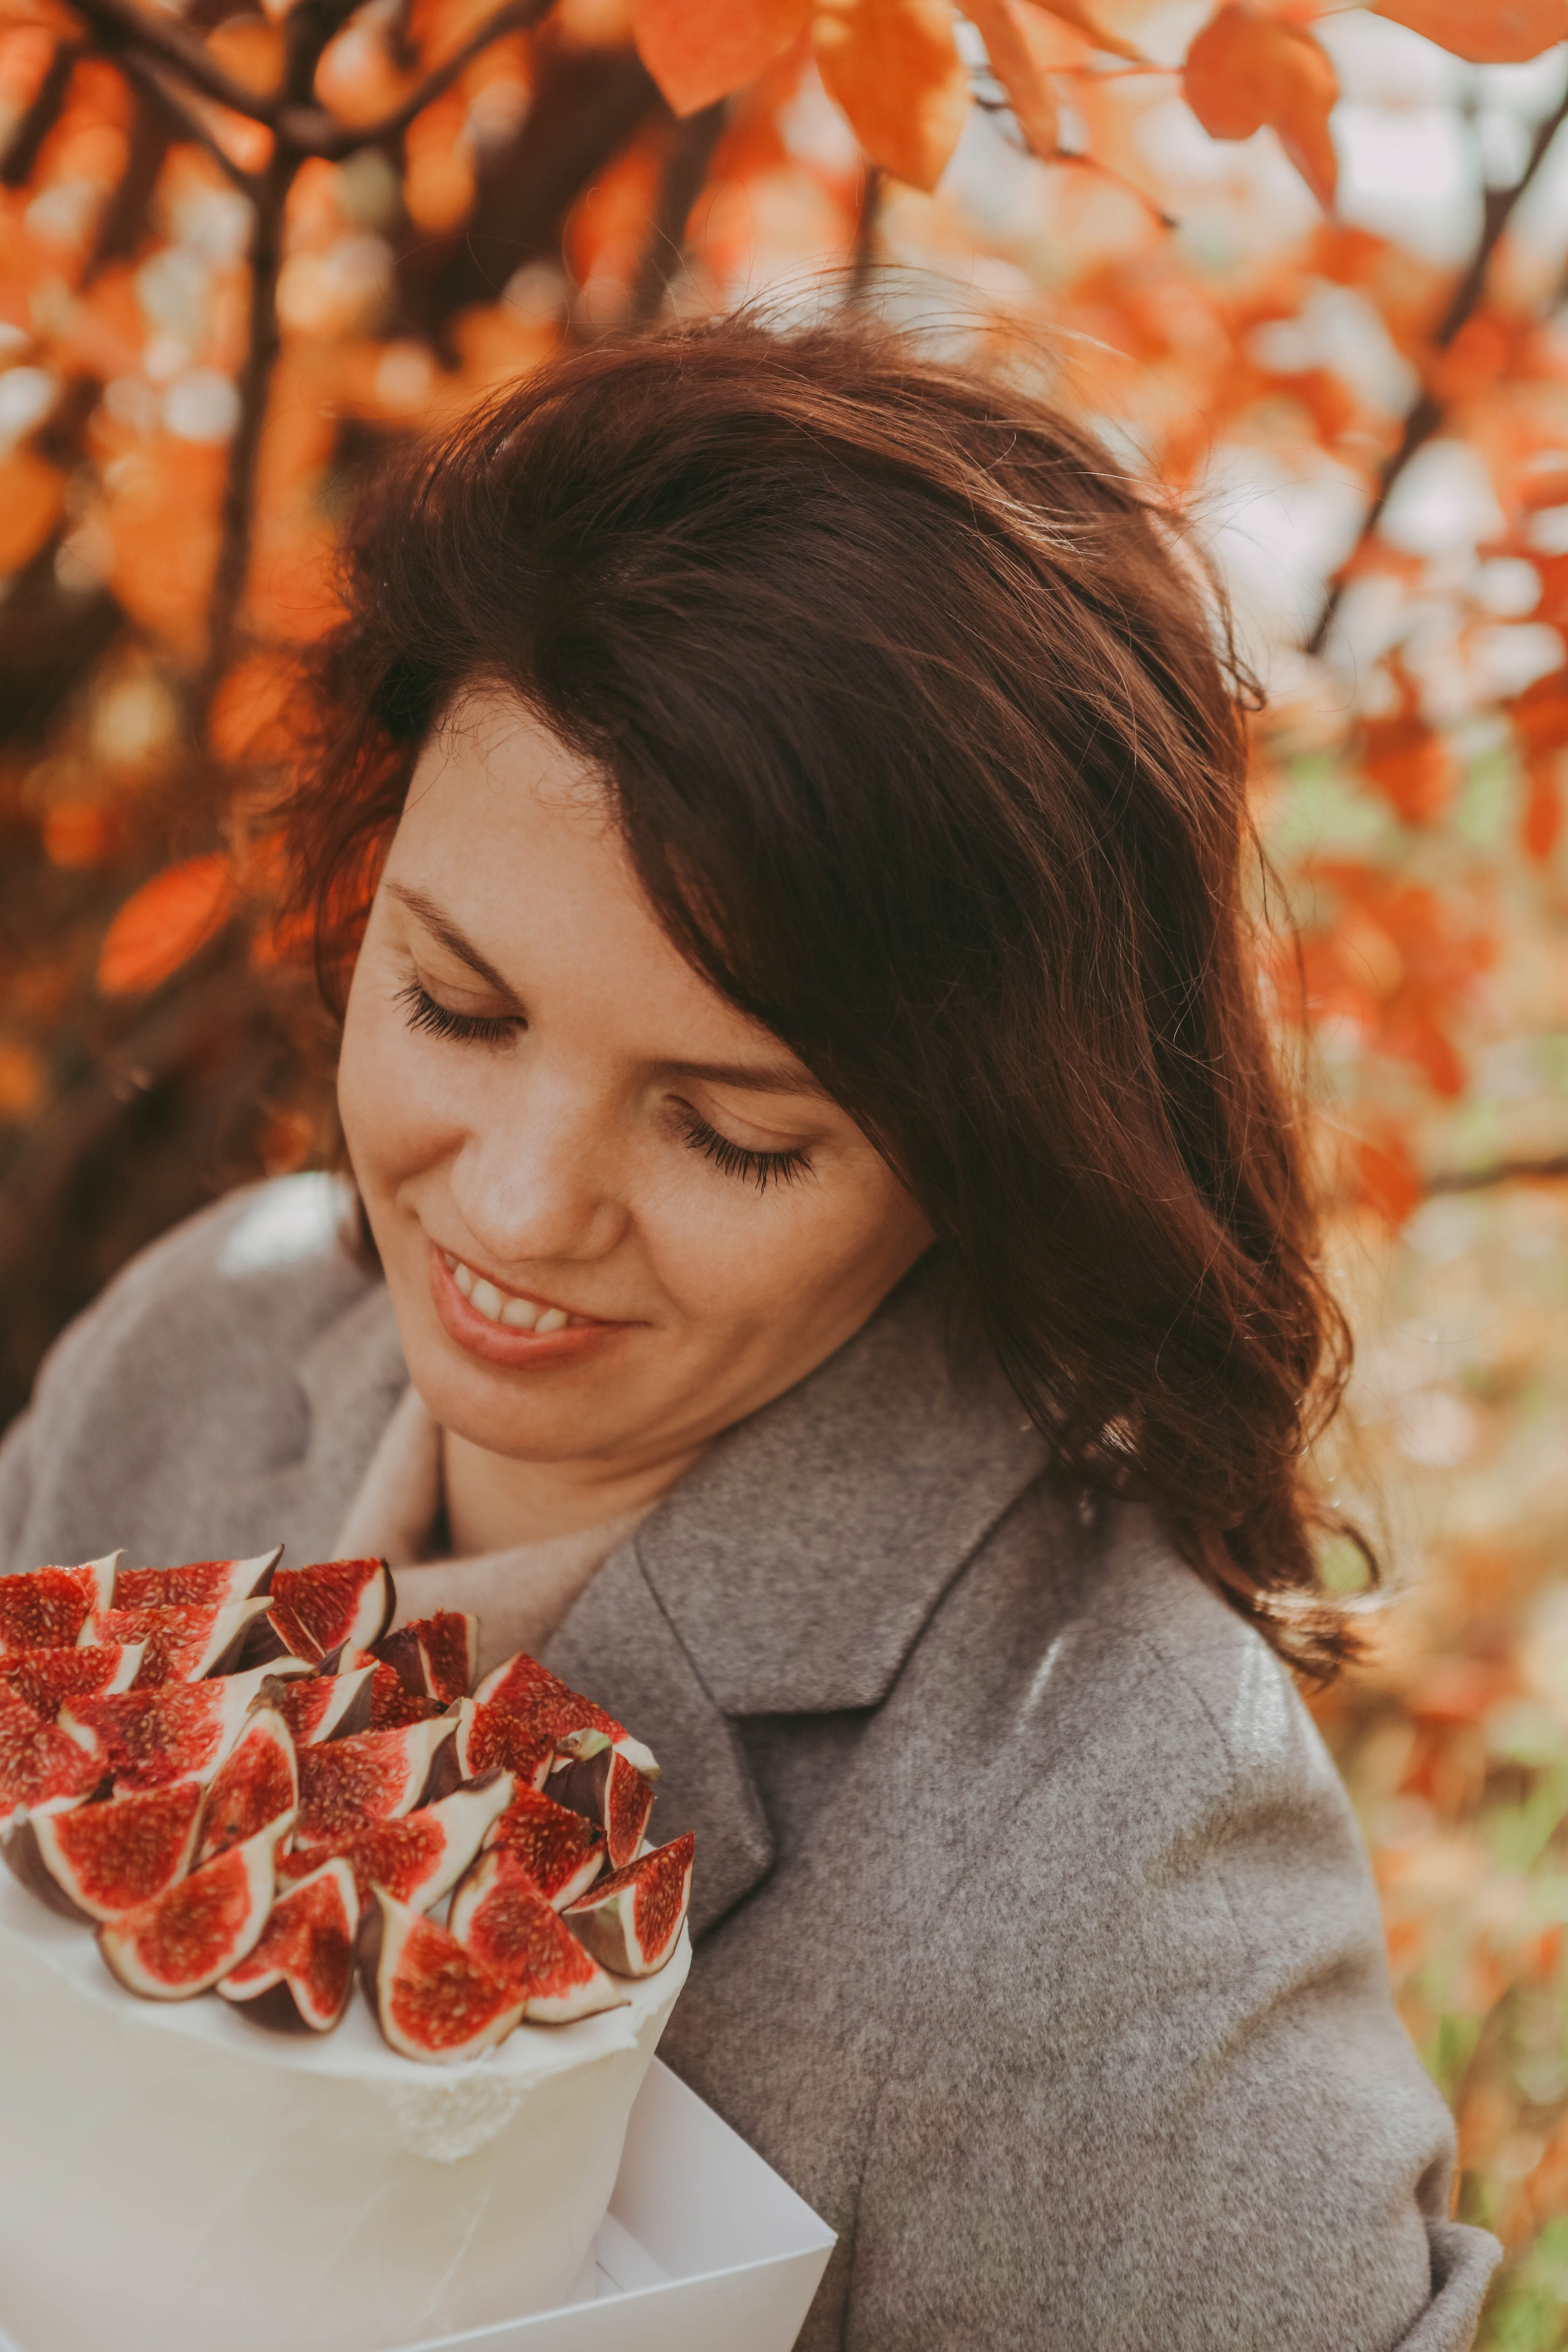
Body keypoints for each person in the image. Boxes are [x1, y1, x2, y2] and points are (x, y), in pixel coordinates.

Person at [0, 315, 1499, 2348]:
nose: (516, 1209)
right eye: (456, 1006)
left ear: (972, 1154)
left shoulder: (1116, 1873)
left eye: (731, 1131)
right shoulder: (203, 1332)